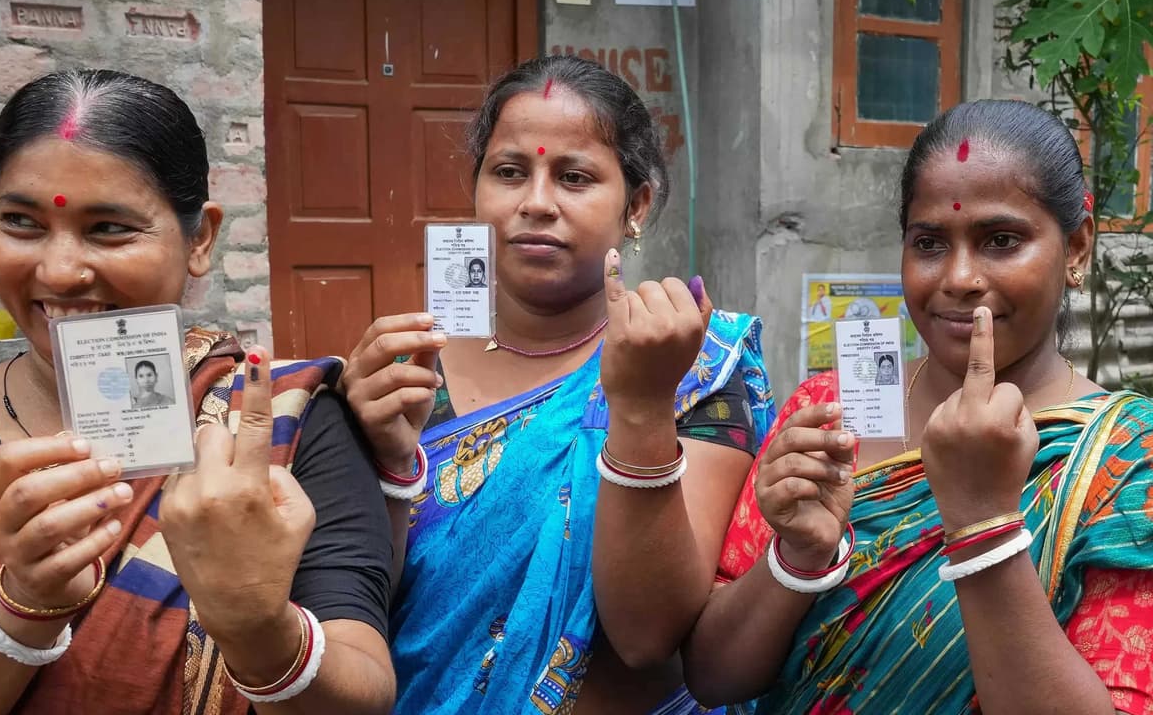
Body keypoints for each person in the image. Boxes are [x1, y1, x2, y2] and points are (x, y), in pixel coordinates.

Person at [0, 70, 395, 715]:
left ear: (199, 239)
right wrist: (22, 606)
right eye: (20, 222)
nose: (60, 271)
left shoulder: (286, 419)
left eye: (110, 228)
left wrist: (259, 625)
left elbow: (365, 692)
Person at [683, 100, 1153, 713]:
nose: (958, 276)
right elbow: (713, 678)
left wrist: (983, 524)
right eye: (929, 242)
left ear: (1076, 249)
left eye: (1001, 241)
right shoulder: (830, 409)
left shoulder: (1127, 460)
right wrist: (798, 559)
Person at [341, 55, 774, 715]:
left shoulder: (692, 365)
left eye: (573, 177)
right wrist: (388, 461)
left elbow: (648, 636)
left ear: (638, 204)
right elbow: (357, 608)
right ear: (477, 189)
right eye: (510, 172)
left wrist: (640, 407)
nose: (535, 203)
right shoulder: (408, 371)